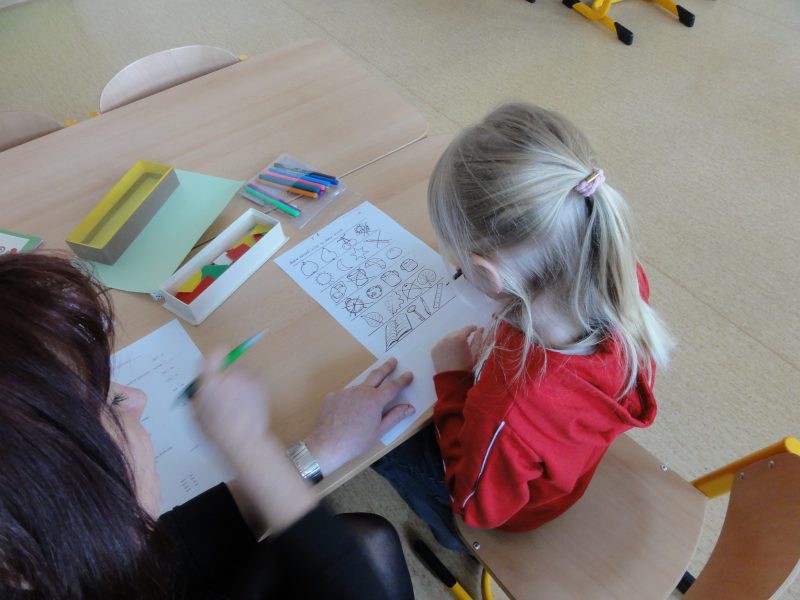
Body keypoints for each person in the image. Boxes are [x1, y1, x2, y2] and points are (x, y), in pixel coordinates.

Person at [0, 253, 415, 599]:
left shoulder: (39, 561)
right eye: (109, 404)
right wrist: (251, 449)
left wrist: (318, 451)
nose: (137, 398)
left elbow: (161, 555)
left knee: (368, 537)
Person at [374, 102, 675, 551]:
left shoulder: (508, 404)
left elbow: (477, 505)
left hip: (517, 508)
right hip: (567, 457)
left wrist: (454, 379)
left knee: (387, 443)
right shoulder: (620, 278)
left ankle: (451, 540)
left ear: (487, 275)